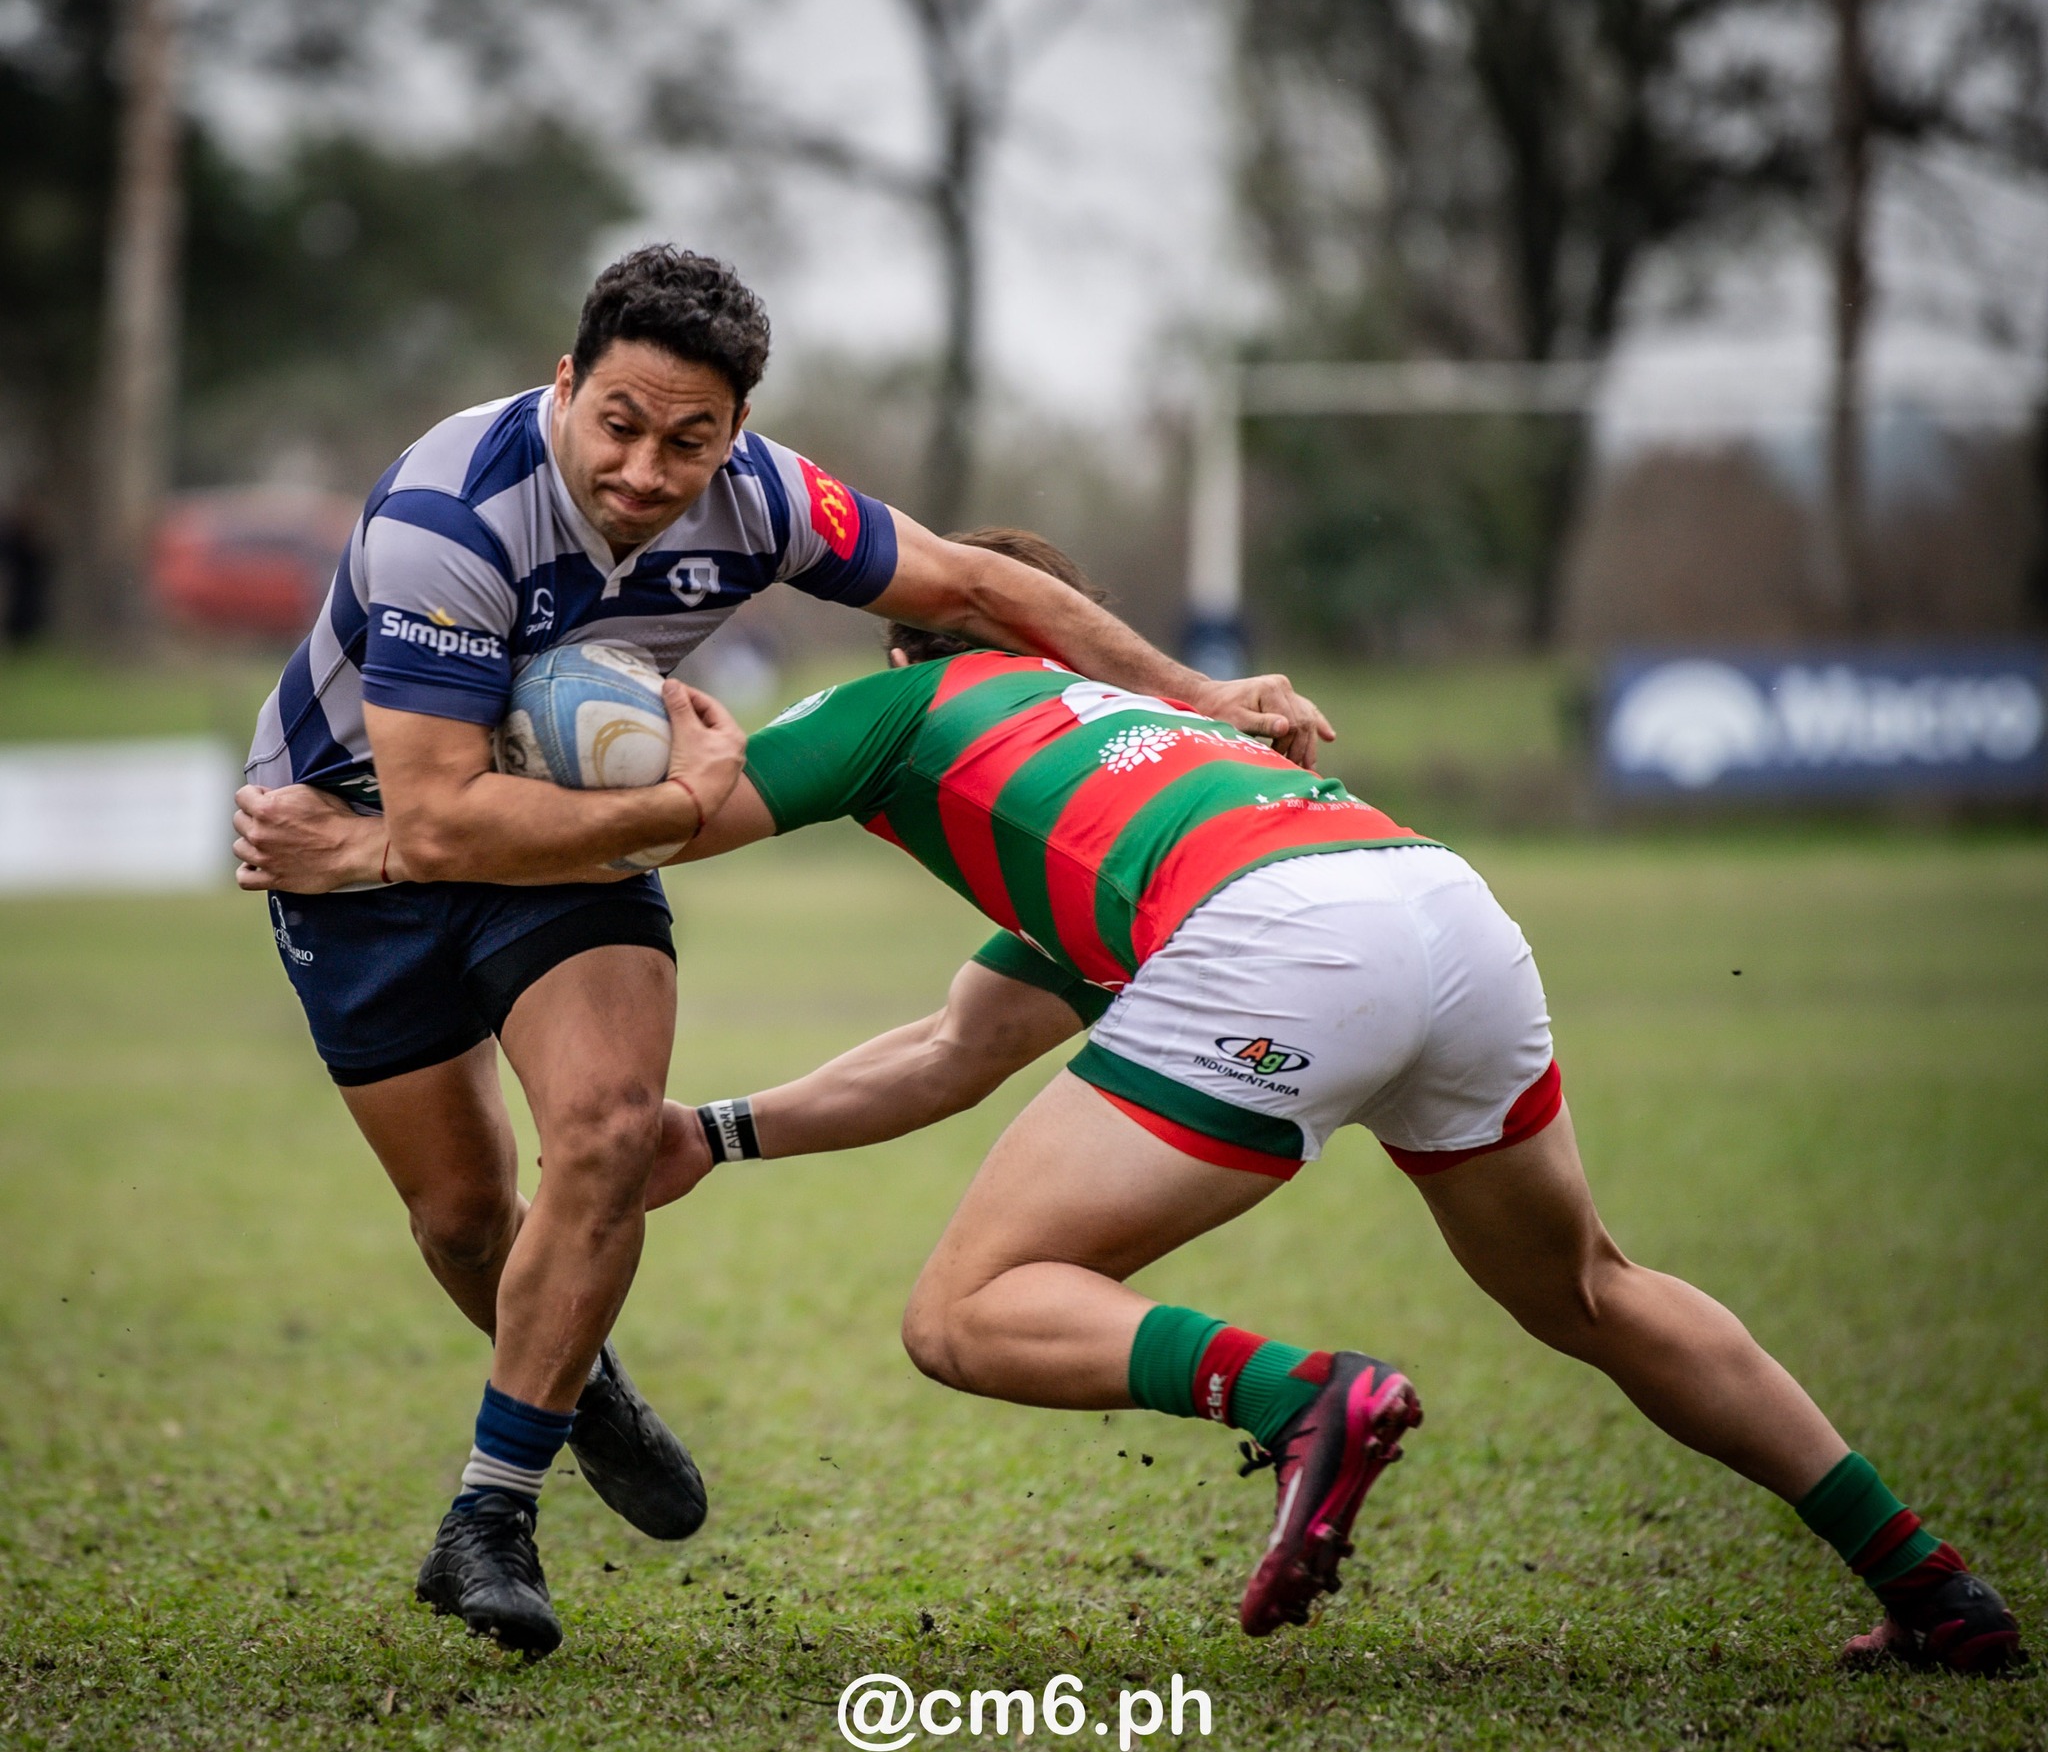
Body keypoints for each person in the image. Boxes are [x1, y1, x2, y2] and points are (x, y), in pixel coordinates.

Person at [255, 527, 2024, 1672]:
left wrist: (568, 778)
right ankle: (1928, 1580)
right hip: (1441, 905)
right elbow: (954, 1049)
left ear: (923, 642)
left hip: (1277, 943)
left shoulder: (908, 705)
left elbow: (646, 829)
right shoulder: (1132, 749)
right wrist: (714, 1134)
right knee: (1592, 1287)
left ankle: (1308, 1394)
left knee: (964, 1314)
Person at [231, 250, 1333, 1660]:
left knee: (611, 1129)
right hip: (358, 845)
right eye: (619, 422)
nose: (646, 467)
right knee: (461, 1212)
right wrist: (669, 806)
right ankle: (582, 1382)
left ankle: (489, 1514)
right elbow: (439, 817)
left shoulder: (764, 499)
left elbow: (984, 587)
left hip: (563, 843)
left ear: (736, 432)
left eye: (690, 438)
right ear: (565, 384)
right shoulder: (453, 516)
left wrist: (1198, 692)